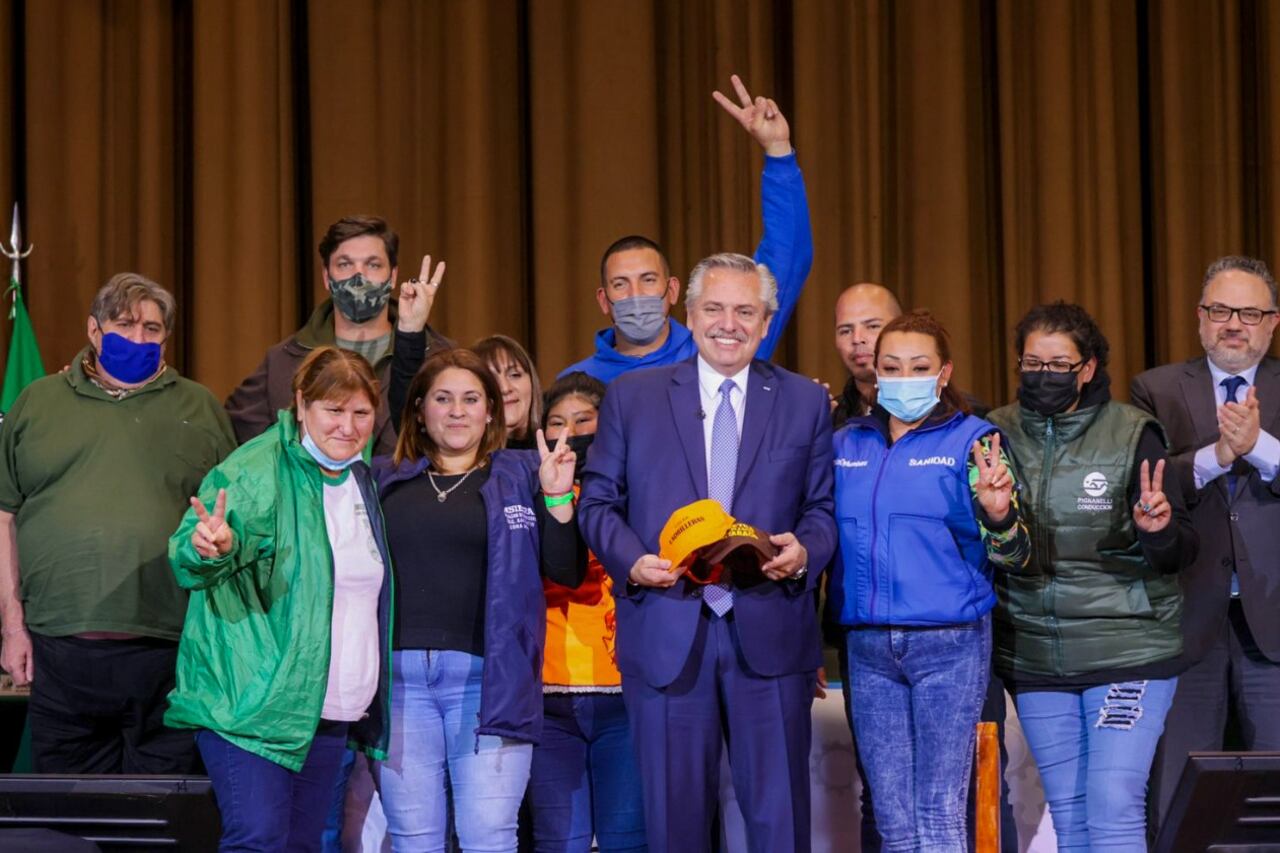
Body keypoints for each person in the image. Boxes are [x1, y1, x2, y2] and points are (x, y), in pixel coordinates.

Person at [578, 252, 835, 853]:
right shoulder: (631, 398)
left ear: (767, 322)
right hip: (667, 630)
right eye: (714, 308)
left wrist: (805, 551)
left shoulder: (802, 401)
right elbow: (596, 504)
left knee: (780, 820)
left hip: (769, 631)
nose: (729, 323)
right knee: (674, 824)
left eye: (746, 311)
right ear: (689, 314)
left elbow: (822, 511)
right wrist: (632, 560)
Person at [0, 272, 235, 774]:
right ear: (93, 329)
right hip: (59, 649)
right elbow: (5, 517)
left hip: (168, 652)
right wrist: (12, 627)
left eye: (152, 328)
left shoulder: (200, 407)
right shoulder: (37, 403)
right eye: (124, 324)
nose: (138, 338)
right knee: (68, 827)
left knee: (160, 820)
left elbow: (225, 524)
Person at [985, 302, 1196, 849]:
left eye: (1059, 365)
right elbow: (995, 552)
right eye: (1032, 363)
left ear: (1088, 367)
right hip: (1035, 655)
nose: (1043, 376)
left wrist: (1156, 531)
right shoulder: (994, 433)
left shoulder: (1132, 433)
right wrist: (999, 517)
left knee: (1113, 805)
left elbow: (1179, 552)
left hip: (1127, 650)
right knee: (1072, 816)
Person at [166, 346, 392, 851]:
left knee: (302, 845)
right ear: (301, 404)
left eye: (361, 413)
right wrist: (210, 548)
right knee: (260, 840)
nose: (348, 426)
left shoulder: (361, 476)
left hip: (329, 712)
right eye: (333, 410)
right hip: (252, 708)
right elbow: (191, 550)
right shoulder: (256, 469)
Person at [827, 310, 1029, 852]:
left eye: (919, 366)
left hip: (950, 645)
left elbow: (1017, 554)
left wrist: (998, 514)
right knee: (893, 823)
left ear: (943, 375)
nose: (904, 376)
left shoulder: (976, 441)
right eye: (892, 366)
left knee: (939, 813)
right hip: (868, 648)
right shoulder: (845, 444)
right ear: (875, 371)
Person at [374, 348, 583, 852]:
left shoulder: (523, 474)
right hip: (398, 687)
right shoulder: (382, 479)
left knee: (488, 837)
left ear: (491, 410)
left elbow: (565, 570)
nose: (457, 410)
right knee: (413, 840)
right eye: (442, 399)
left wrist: (556, 497)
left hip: (489, 685)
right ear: (420, 409)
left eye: (471, 399)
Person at [1132, 255, 1280, 829]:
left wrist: (1260, 447)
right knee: (1178, 796)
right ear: (1200, 318)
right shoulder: (1158, 389)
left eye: (1249, 312)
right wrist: (1218, 456)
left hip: (1273, 626)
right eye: (1220, 310)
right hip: (1185, 620)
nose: (1233, 323)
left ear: (1272, 322)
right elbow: (1145, 484)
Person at [562, 75, 812, 383]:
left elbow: (788, 259)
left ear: (673, 290)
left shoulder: (720, 348)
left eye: (649, 280)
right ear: (603, 300)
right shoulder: (578, 382)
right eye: (620, 285)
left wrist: (778, 151)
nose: (636, 295)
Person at [528, 372, 646, 853]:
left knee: (627, 842)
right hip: (549, 696)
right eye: (557, 423)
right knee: (561, 843)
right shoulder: (531, 492)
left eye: (583, 420)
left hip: (624, 693)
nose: (570, 433)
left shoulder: (637, 493)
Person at [227, 214, 451, 455]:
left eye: (373, 265)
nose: (359, 277)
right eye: (345, 264)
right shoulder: (282, 362)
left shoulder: (440, 357)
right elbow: (239, 446)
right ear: (326, 277)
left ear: (393, 276)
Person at [832, 282, 904, 426]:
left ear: (902, 330)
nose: (857, 339)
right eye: (845, 331)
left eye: (872, 326)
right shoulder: (831, 417)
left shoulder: (951, 414)